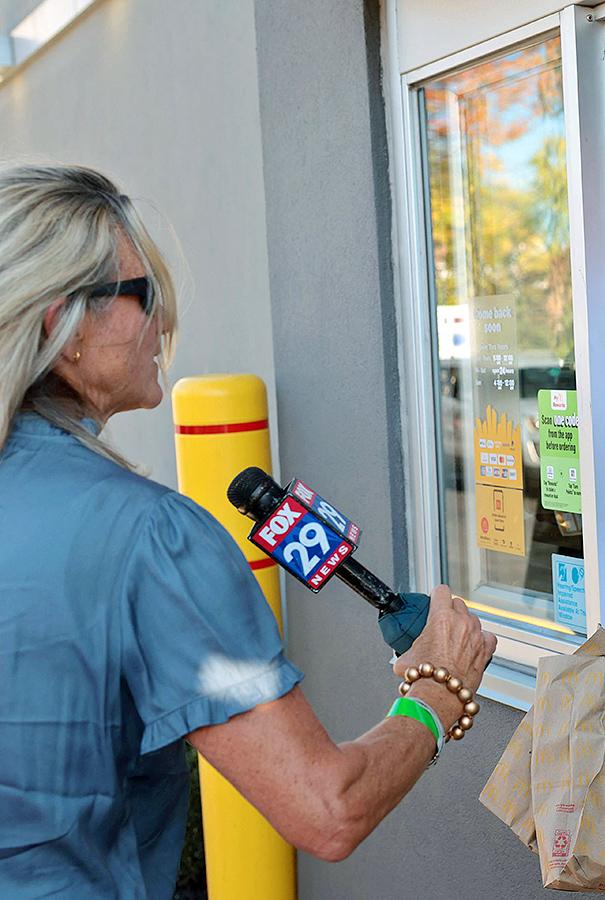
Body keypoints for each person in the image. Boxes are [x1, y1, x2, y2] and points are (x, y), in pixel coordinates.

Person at [0, 163, 496, 898]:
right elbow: (328, 809)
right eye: (144, 296)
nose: (165, 323)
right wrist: (438, 691)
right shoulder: (153, 539)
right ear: (62, 327)